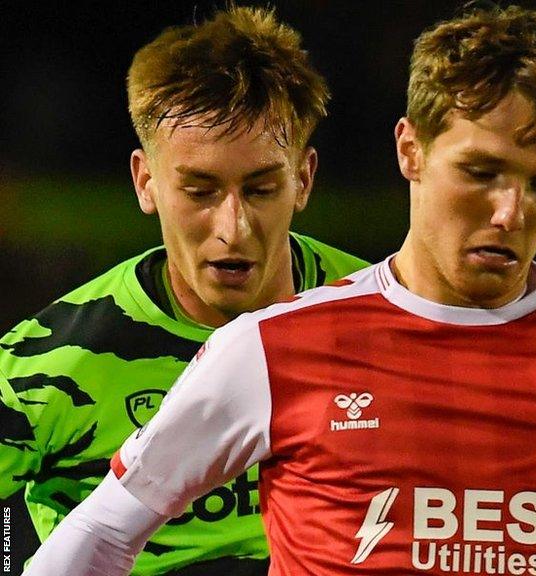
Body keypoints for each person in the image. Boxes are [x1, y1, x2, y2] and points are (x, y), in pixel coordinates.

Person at [27, 5, 536, 575]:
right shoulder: (272, 350)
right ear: (410, 150)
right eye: (481, 171)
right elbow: (102, 531)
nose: (510, 211)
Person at [0, 6, 366, 574]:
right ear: (146, 182)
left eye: (262, 188)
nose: (232, 228)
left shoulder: (381, 324)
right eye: (199, 191)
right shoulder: (51, 363)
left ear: (304, 179)